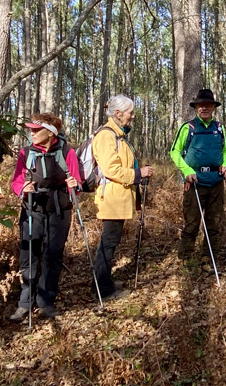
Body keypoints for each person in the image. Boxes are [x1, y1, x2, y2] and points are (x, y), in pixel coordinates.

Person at [10, 114, 81, 321]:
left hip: (60, 211)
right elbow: (16, 182)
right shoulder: (26, 153)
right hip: (32, 209)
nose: (31, 133)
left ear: (50, 133)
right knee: (28, 255)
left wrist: (74, 185)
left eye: (35, 130)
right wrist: (23, 189)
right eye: (30, 129)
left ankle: (46, 302)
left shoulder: (67, 151)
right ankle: (24, 303)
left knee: (53, 256)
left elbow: (76, 179)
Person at [93, 95, 153, 300]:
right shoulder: (106, 135)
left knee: (111, 240)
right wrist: (138, 174)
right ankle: (103, 288)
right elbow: (111, 169)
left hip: (118, 196)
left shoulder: (119, 135)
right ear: (118, 114)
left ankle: (103, 281)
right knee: (108, 242)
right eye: (130, 113)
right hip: (110, 198)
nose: (133, 116)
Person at [170, 89, 226, 266]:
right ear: (196, 107)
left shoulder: (219, 128)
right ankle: (186, 258)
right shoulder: (188, 128)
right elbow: (174, 152)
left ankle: (208, 257)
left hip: (216, 183)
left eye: (208, 104)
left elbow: (225, 150)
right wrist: (186, 170)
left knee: (213, 224)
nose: (204, 108)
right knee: (192, 223)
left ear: (213, 107)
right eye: (200, 105)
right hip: (195, 182)